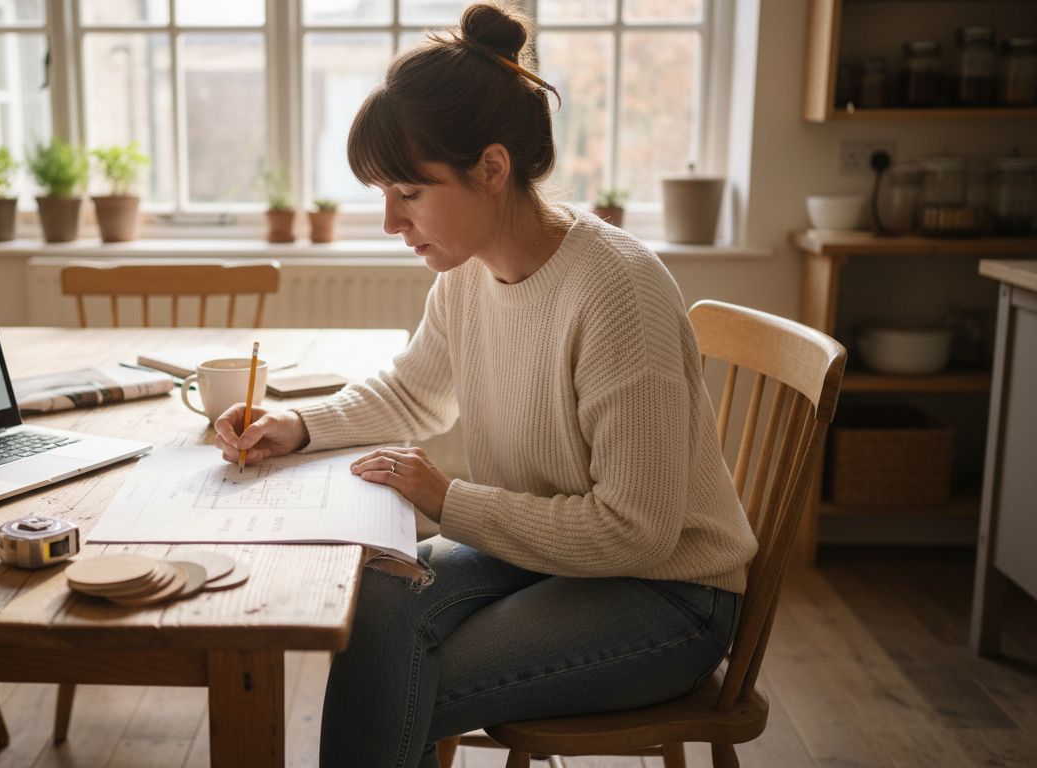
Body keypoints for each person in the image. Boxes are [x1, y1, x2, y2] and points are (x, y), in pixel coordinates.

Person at [212, 4, 758, 767]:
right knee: (373, 605)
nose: (389, 222)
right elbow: (414, 395)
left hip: (666, 593)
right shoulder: (468, 273)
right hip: (542, 549)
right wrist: (295, 425)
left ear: (493, 169)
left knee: (391, 677)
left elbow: (637, 529)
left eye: (408, 191)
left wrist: (449, 500)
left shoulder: (616, 292)